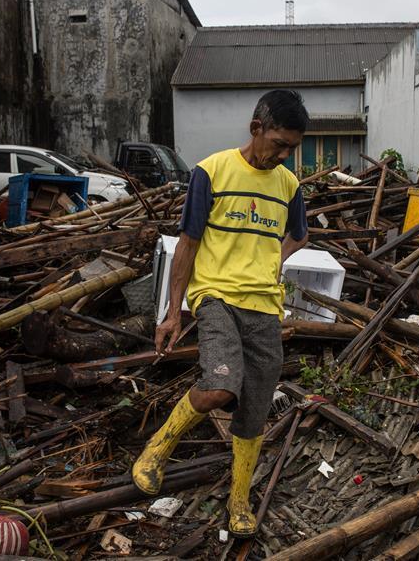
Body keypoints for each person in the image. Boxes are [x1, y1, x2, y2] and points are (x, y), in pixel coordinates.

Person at [132, 90, 310, 537]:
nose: (284, 155)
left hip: (264, 307)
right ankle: (157, 448)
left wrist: (273, 262)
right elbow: (187, 244)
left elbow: (299, 236)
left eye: (292, 148)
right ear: (256, 129)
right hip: (215, 297)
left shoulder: (288, 184)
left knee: (253, 409)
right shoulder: (211, 172)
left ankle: (238, 500)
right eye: (279, 144)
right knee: (220, 387)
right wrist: (173, 313)